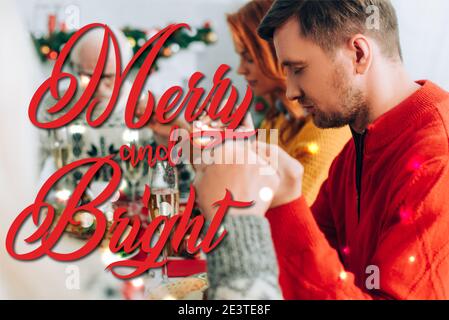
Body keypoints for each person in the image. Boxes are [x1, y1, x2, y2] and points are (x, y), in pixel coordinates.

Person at [198, 0, 449, 299]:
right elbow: (305, 274)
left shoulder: (436, 158)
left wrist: (284, 204)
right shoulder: (357, 146)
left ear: (358, 54)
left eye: (298, 69)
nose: (291, 90)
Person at [226, 0, 351, 204]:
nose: (240, 69)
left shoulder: (326, 125)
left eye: (248, 58)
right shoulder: (276, 119)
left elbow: (289, 210)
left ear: (275, 53)